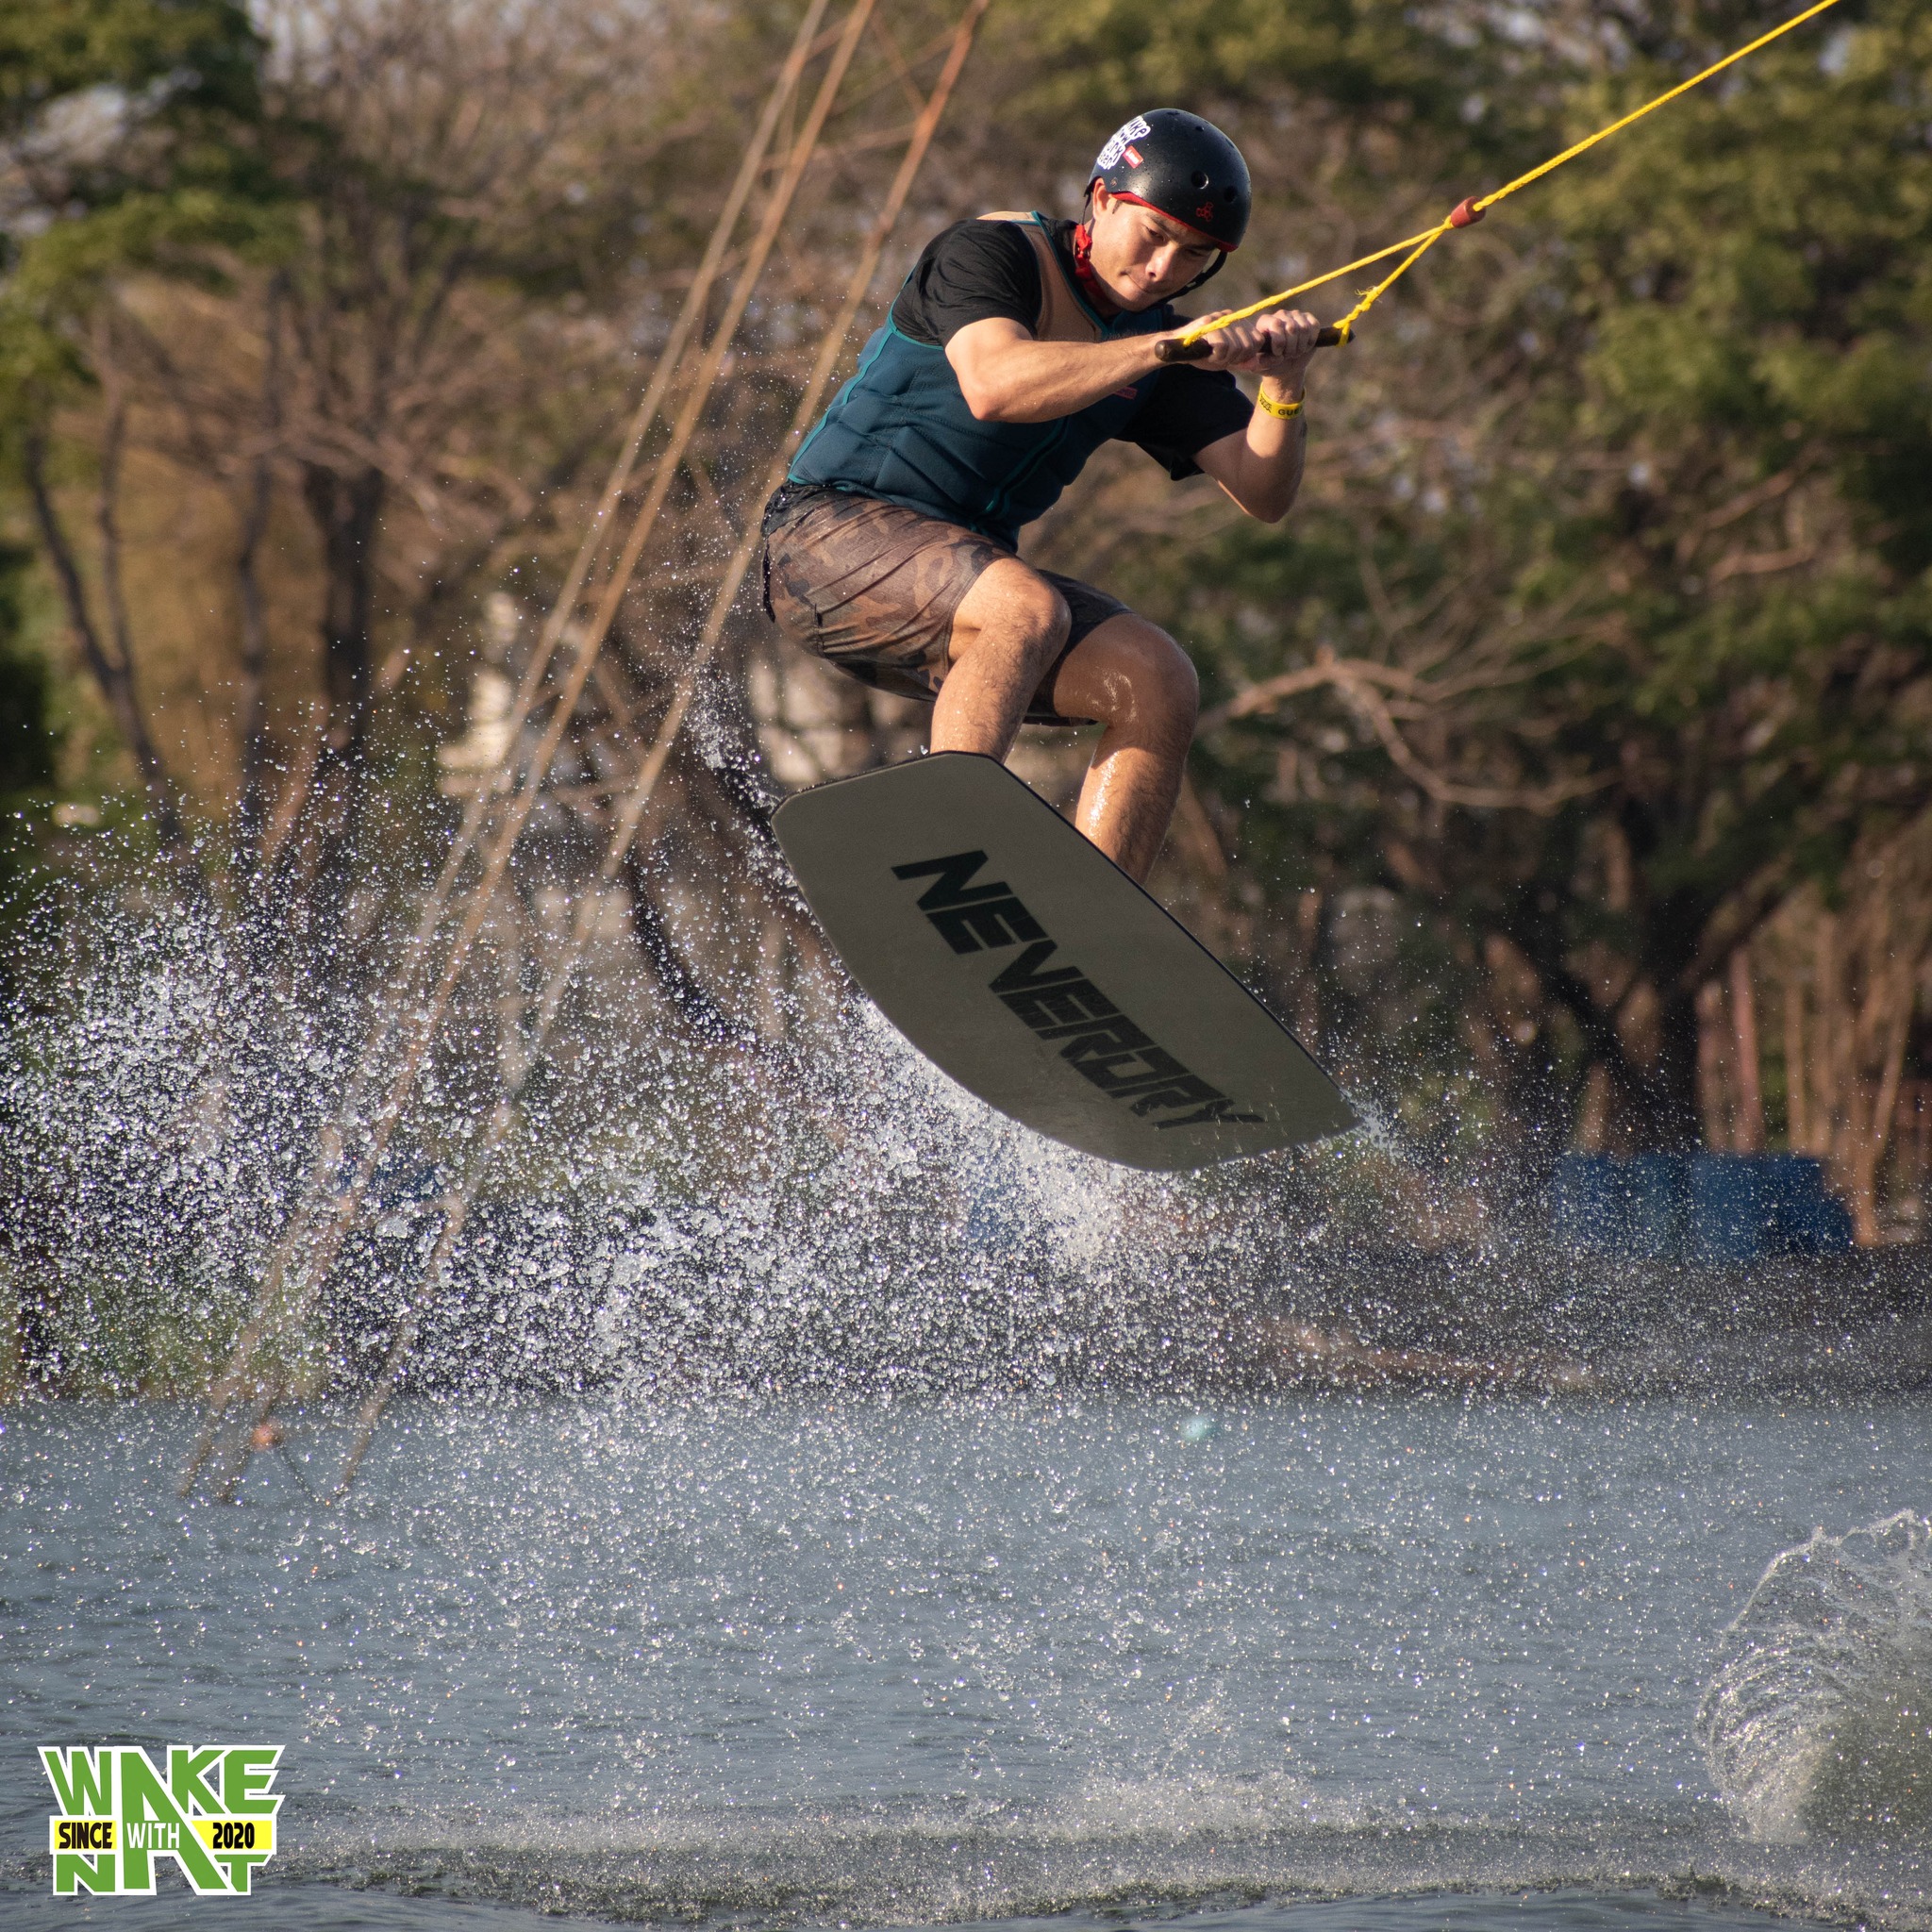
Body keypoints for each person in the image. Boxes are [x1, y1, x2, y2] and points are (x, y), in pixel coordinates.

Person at [761, 109, 1323, 883]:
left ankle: (1092, 923)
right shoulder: (993, 254)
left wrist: (1283, 388)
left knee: (1158, 679)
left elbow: (1264, 492)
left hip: (961, 599)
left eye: (1193, 256)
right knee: (1026, 607)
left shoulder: (1157, 345)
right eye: (1152, 236)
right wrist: (1160, 349)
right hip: (822, 544)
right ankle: (944, 859)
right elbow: (995, 384)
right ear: (1100, 200)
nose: (1163, 270)